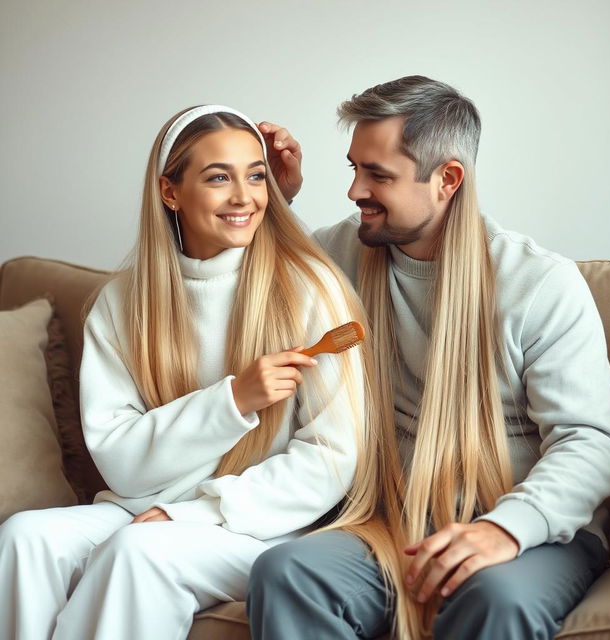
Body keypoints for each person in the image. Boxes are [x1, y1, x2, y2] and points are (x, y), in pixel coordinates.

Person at [247, 76, 610, 639]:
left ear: (448, 179)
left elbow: (590, 441)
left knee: (497, 597)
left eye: (378, 174)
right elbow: (257, 284)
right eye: (354, 168)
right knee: (287, 572)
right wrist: (277, 199)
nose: (354, 191)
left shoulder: (540, 283)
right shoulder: (341, 254)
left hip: (525, 530)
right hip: (391, 522)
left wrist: (505, 530)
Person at [0, 104, 376, 640]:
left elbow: (333, 460)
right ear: (170, 191)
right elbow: (122, 465)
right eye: (219, 177)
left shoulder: (310, 290)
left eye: (256, 175)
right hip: (145, 505)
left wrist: (197, 515)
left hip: (260, 526)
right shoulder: (123, 302)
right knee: (25, 538)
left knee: (139, 551)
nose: (244, 196)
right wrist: (233, 402)